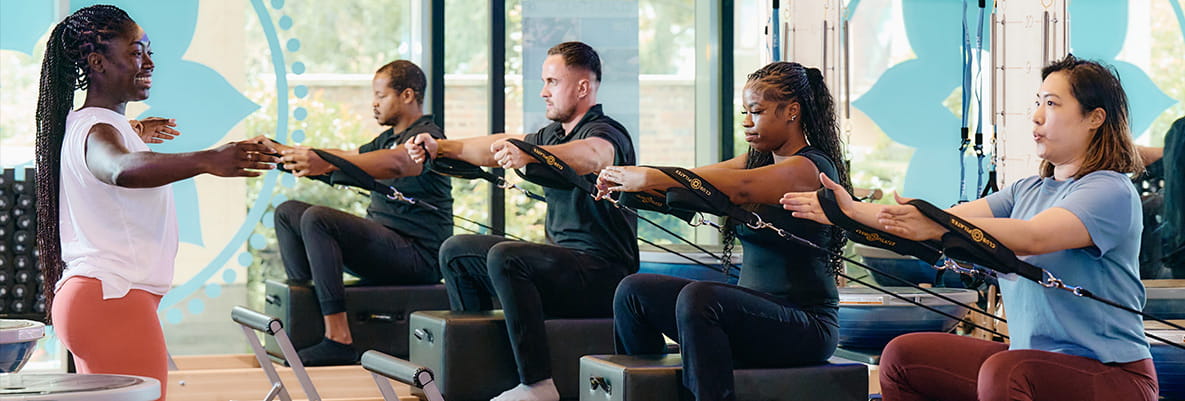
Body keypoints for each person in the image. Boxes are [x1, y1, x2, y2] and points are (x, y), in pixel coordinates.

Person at [781, 54, 1158, 401]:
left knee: (1006, 370)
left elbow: (1034, 236)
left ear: (1095, 117)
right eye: (1038, 102)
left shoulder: (1110, 189)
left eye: (1052, 104)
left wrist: (936, 226)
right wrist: (848, 212)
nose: (1037, 116)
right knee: (902, 358)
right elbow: (945, 217)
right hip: (1031, 365)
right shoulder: (1027, 190)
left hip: (1115, 376)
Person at [34, 5, 276, 399]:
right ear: (97, 62)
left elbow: (113, 152)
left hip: (99, 299)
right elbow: (119, 168)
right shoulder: (97, 130)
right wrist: (207, 159)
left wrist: (134, 129)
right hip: (112, 299)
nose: (148, 62)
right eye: (135, 52)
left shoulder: (91, 123)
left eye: (149, 52)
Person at [595, 61, 850, 401]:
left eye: (755, 111)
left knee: (700, 298)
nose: (746, 121)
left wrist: (651, 176)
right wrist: (627, 183)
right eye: (744, 111)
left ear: (792, 110)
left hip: (805, 324)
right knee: (634, 291)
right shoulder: (757, 160)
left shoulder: (810, 168)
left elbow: (741, 188)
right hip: (754, 315)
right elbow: (693, 179)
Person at [406, 41, 636, 401]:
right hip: (564, 267)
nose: (544, 92)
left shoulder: (607, 132)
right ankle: (479, 366)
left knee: (506, 256)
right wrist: (441, 147)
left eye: (552, 82)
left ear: (582, 87)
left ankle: (538, 384)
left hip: (604, 274)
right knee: (457, 250)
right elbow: (496, 145)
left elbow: (592, 156)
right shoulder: (551, 135)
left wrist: (532, 153)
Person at [264, 60, 452, 366]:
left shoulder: (427, 137)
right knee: (288, 213)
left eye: (380, 95)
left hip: (420, 257)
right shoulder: (387, 139)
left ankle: (339, 339)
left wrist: (326, 162)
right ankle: (307, 324)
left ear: (407, 95)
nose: (374, 103)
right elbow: (349, 159)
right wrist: (282, 153)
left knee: (319, 219)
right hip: (387, 250)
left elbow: (396, 163)